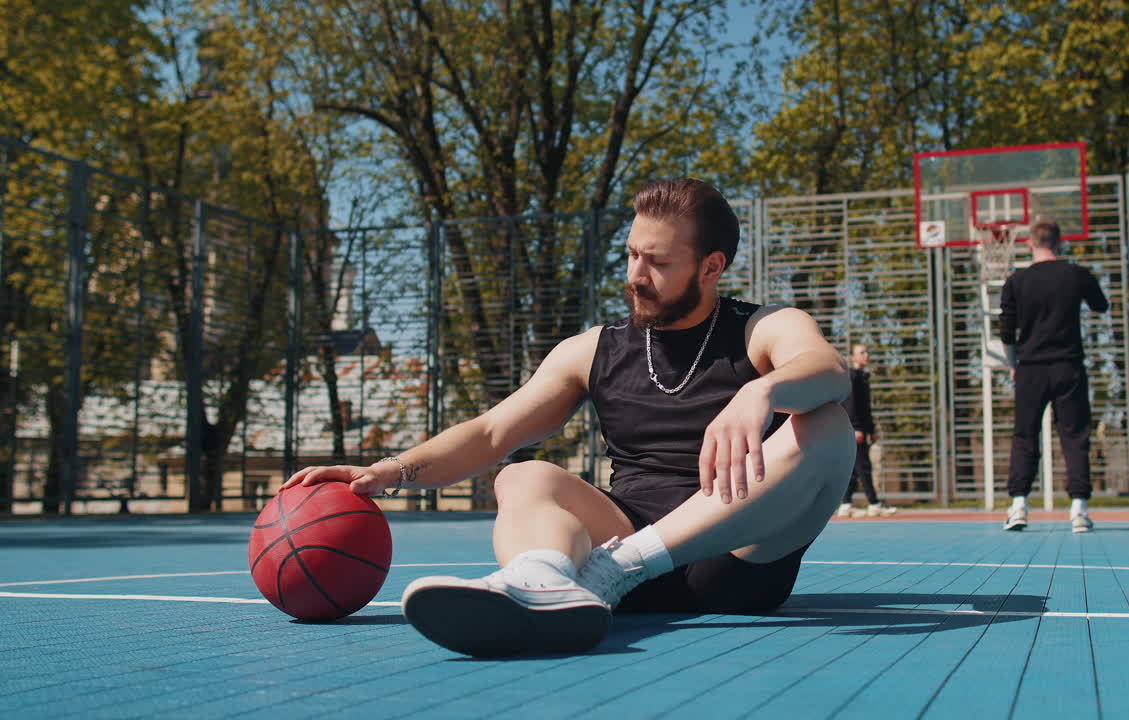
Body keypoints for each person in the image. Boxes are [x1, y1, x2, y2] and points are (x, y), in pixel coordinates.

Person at [282, 178, 855, 656]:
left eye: (657, 262)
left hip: (734, 561)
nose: (636, 274)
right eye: (632, 254)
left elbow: (826, 368)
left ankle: (614, 571)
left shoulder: (761, 327)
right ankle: (542, 579)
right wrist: (390, 471)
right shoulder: (593, 349)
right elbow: (490, 433)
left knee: (826, 424)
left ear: (711, 267)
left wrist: (761, 393)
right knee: (520, 474)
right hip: (615, 549)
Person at [999, 219, 1109, 534]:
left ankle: (1018, 505)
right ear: (1060, 243)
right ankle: (1078, 510)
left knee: (1024, 436)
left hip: (1030, 368)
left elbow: (1007, 333)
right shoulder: (1077, 275)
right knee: (1074, 436)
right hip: (1068, 366)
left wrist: (1013, 365)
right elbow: (1101, 306)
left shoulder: (1016, 281)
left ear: (1029, 244)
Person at [835, 344, 895, 518]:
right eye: (861, 353)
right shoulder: (852, 377)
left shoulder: (863, 377)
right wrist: (855, 429)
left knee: (854, 469)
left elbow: (866, 408)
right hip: (855, 430)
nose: (866, 355)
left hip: (862, 429)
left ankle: (846, 504)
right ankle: (874, 503)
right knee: (864, 466)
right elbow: (851, 406)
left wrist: (871, 430)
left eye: (867, 352)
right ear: (853, 358)